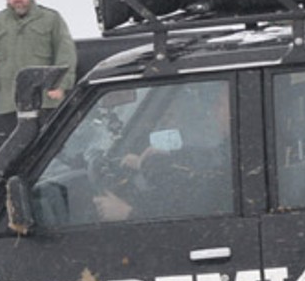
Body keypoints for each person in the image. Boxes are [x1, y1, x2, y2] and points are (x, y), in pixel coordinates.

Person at [93, 83, 233, 222]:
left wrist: (128, 214)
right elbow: (205, 160)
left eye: (221, 105)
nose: (215, 110)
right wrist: (148, 162)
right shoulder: (230, 151)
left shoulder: (229, 165)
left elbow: (190, 216)